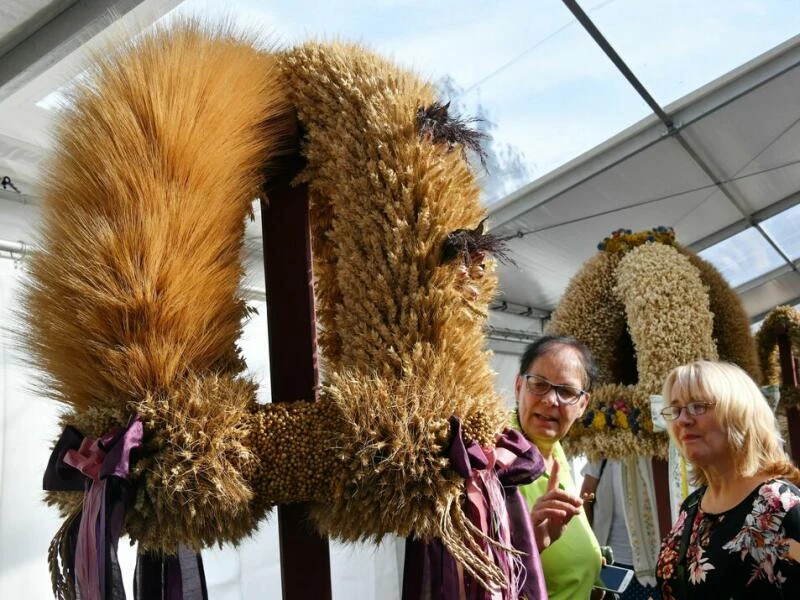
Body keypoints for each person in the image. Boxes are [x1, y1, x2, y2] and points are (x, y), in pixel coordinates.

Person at [656, 360, 800, 599]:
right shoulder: (692, 506)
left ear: (739, 414)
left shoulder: (781, 506)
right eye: (676, 409)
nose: (682, 420)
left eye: (698, 406)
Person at [515, 335, 603, 599]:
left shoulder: (554, 449)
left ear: (582, 405)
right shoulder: (494, 458)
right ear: (519, 387)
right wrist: (528, 540)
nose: (551, 400)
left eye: (566, 392)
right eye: (539, 384)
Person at [581, 458, 662, 599]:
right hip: (611, 560)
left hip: (653, 561)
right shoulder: (602, 452)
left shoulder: (654, 447)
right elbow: (585, 498)